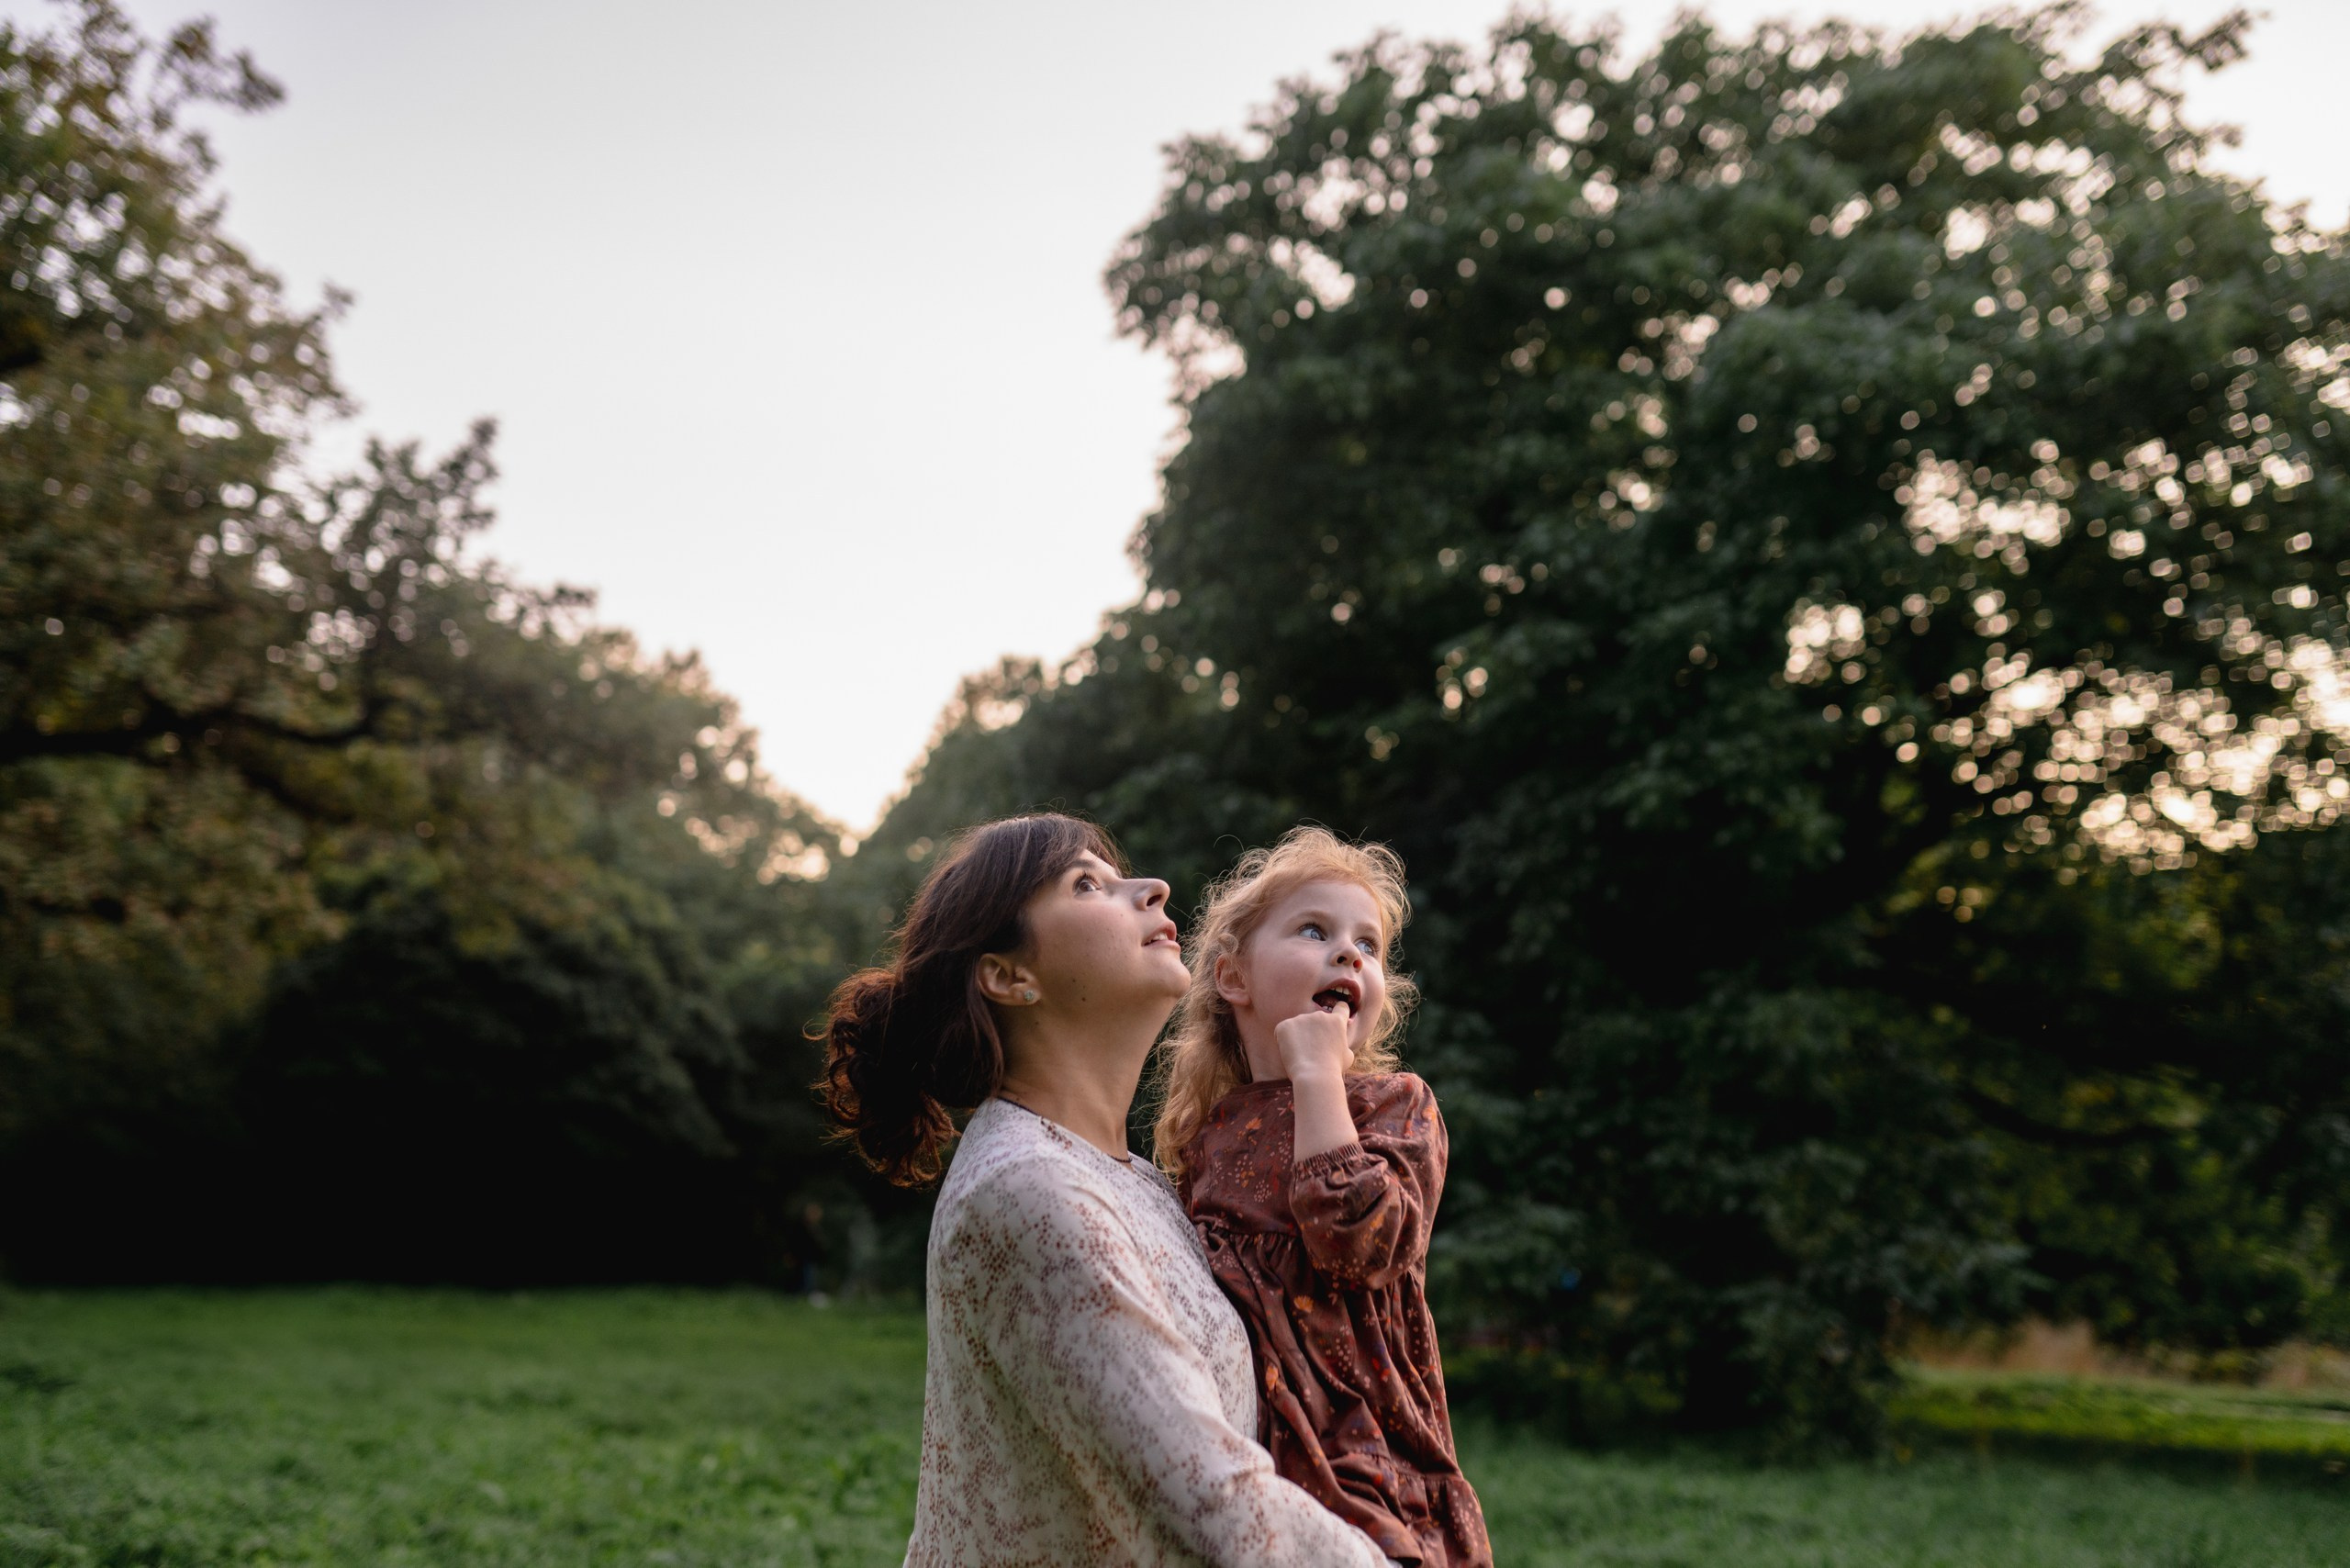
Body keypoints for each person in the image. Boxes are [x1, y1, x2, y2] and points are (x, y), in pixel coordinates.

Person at [817, 813, 1391, 1568]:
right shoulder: (1028, 1189)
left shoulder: (1140, 1183)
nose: (1153, 889)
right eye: (1087, 885)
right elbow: (1210, 1499)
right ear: (1009, 977)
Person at [1154, 827, 1491, 1568]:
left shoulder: (1394, 1106)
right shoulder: (1209, 1138)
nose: (1350, 954)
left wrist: (1316, 1076)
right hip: (1251, 1456)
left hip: (1367, 1456)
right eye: (1315, 930)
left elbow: (1358, 1243)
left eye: (1369, 945)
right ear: (1234, 978)